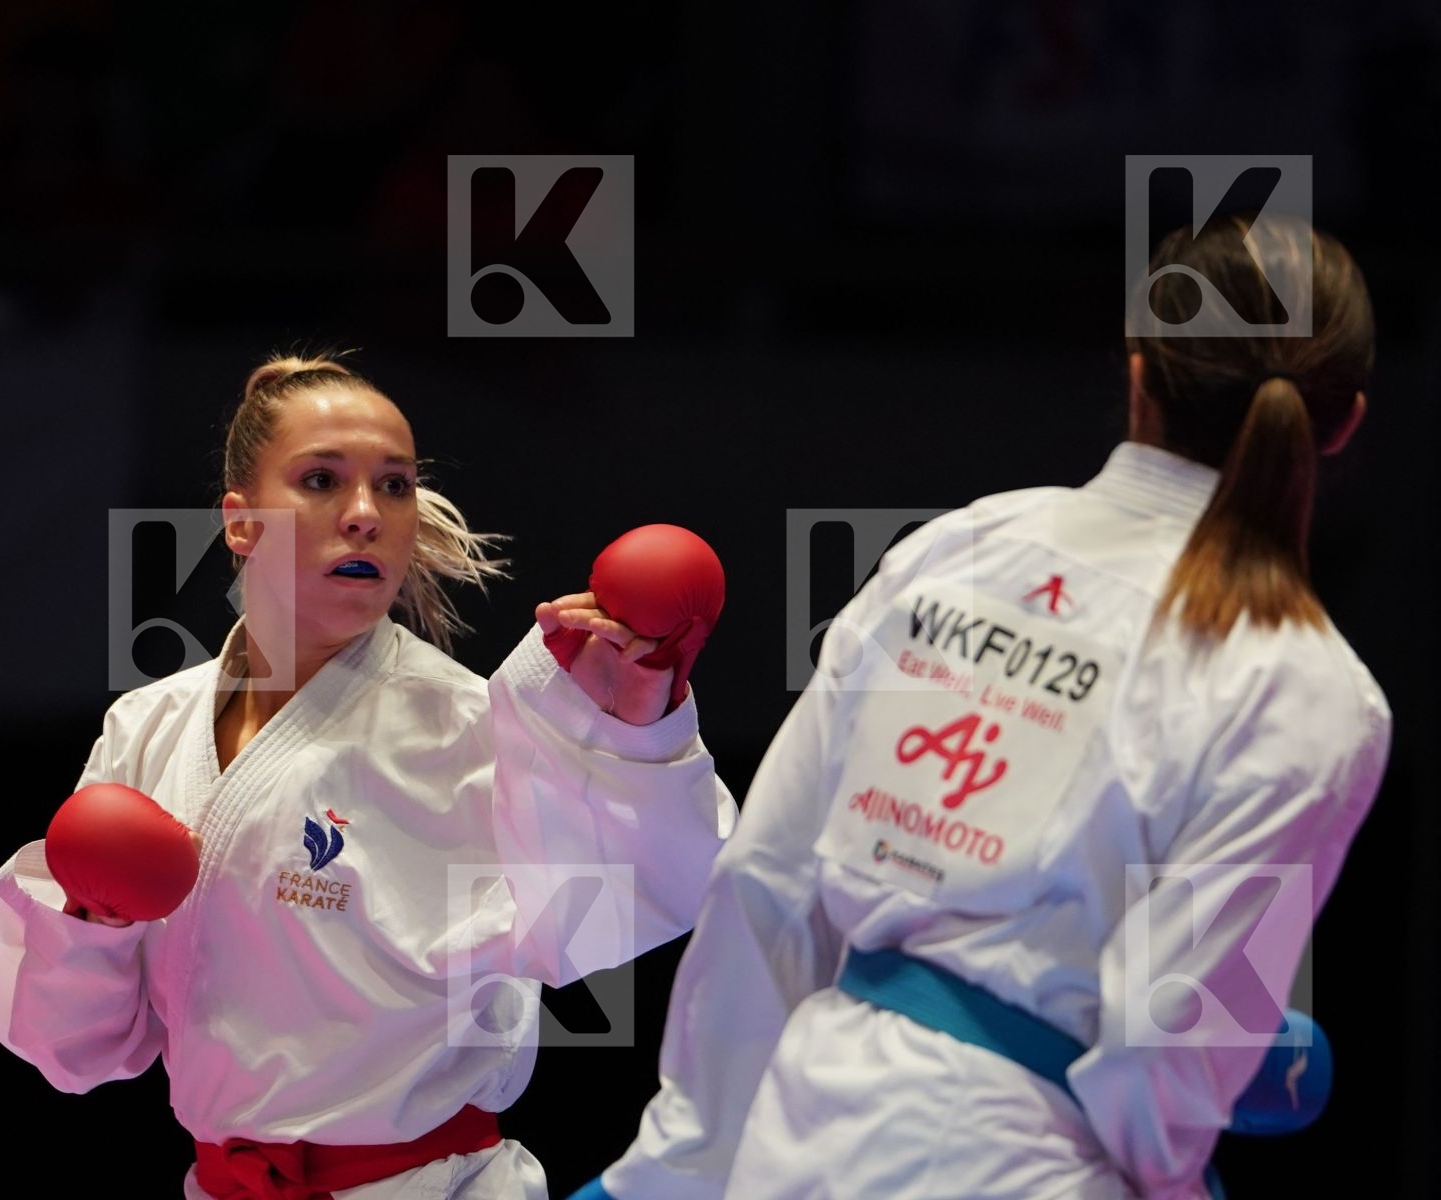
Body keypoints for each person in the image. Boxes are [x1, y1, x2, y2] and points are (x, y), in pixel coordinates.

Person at [582, 213, 1391, 1200]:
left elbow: (769, 880)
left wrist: (681, 1167)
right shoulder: (1310, 687)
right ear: (1343, 421)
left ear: (1138, 372)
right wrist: (1171, 1180)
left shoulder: (961, 549)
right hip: (1034, 1164)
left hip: (806, 1126)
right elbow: (1170, 1030)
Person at [0, 352, 738, 1199]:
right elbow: (77, 1051)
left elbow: (655, 885)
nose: (366, 514)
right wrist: (92, 920)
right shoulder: (148, 728)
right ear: (241, 522)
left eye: (396, 486)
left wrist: (633, 726)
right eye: (322, 479)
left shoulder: (467, 728)